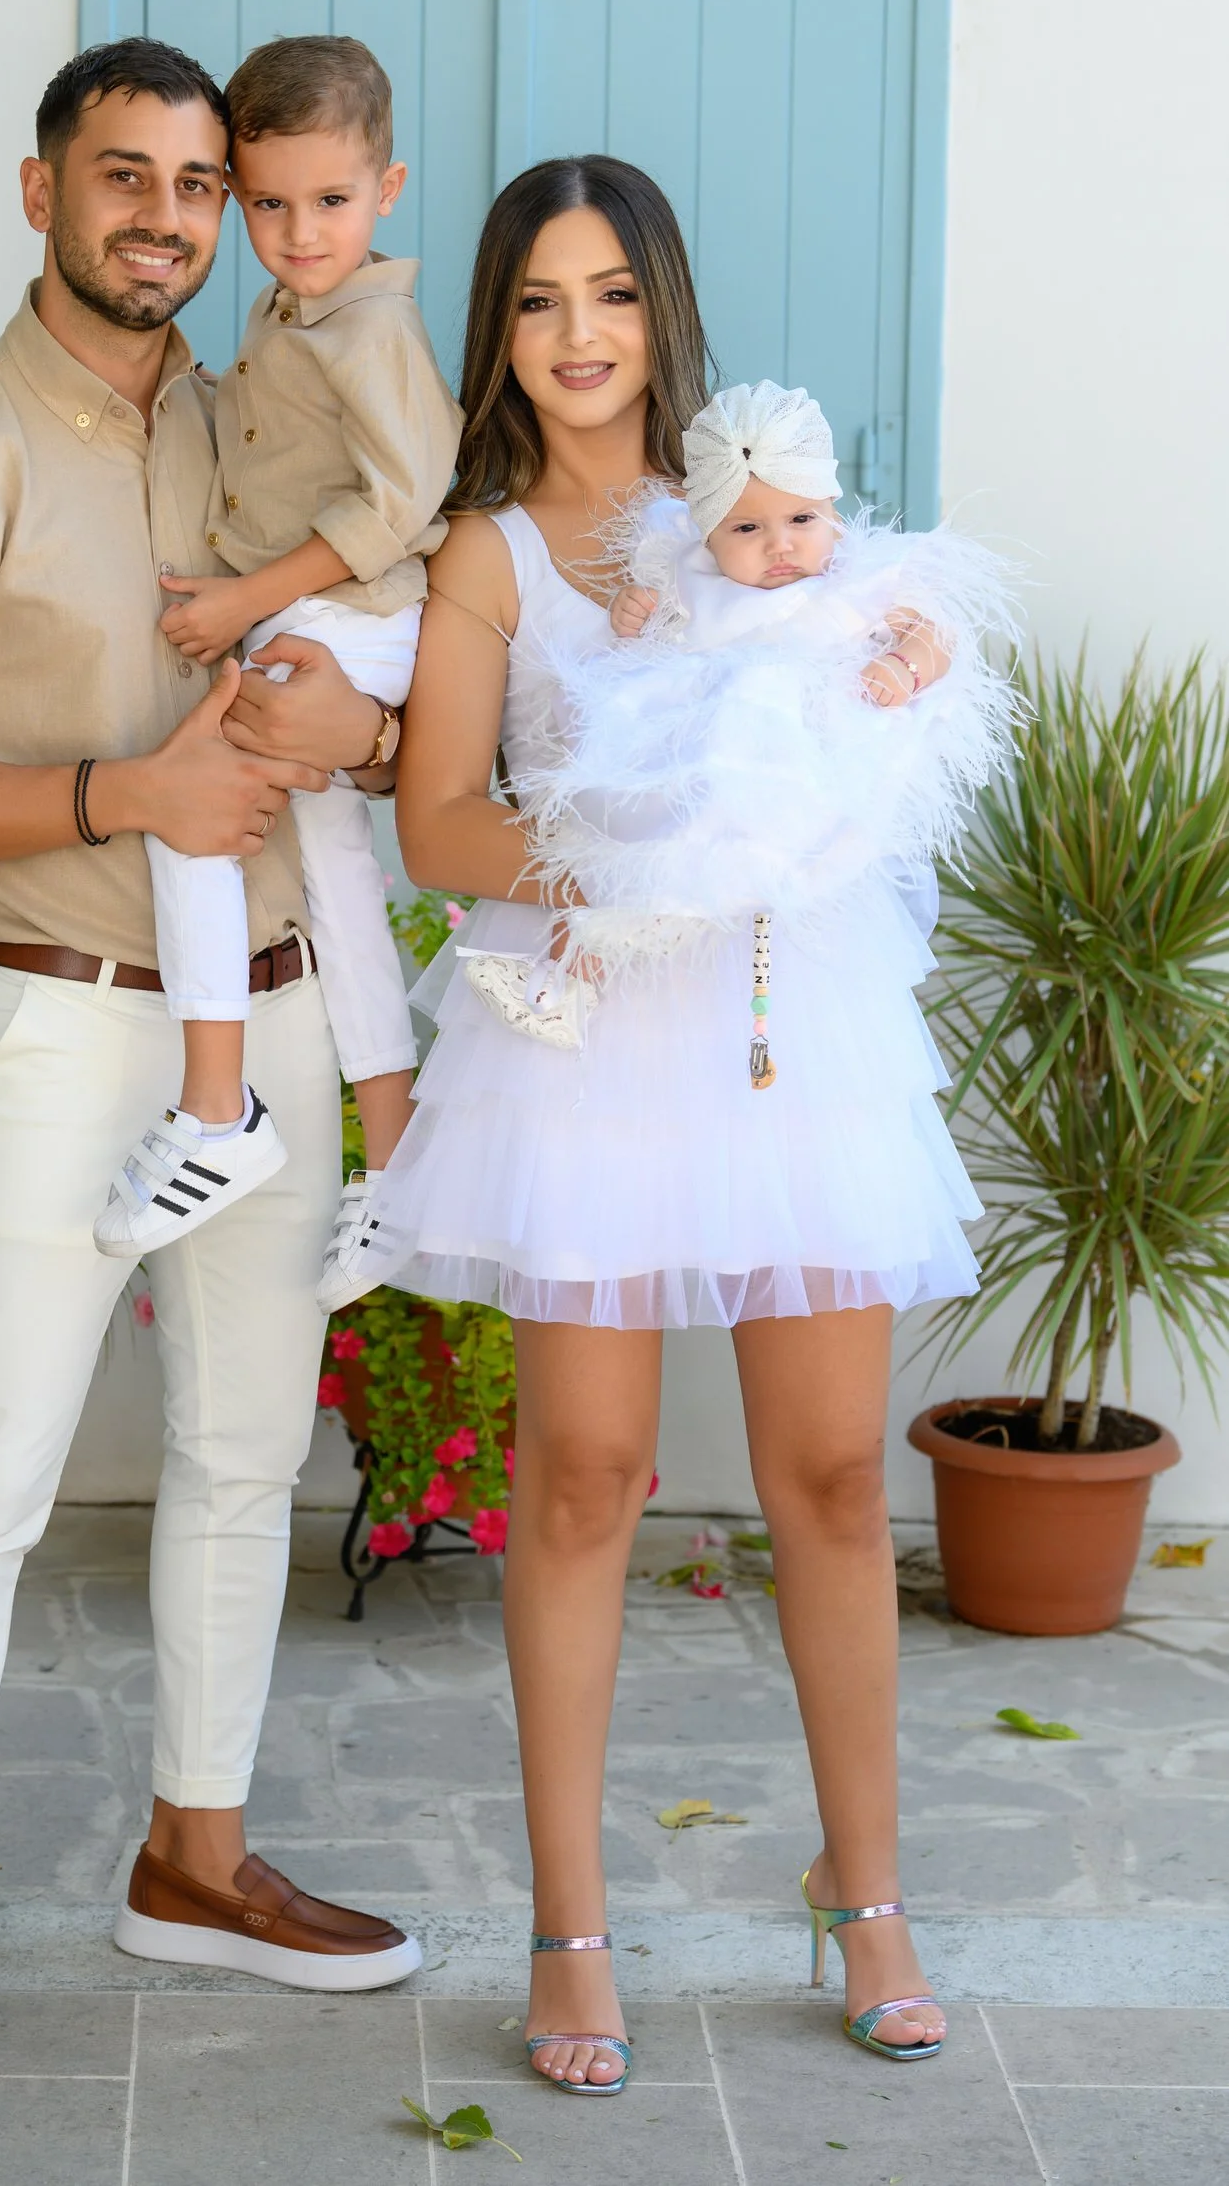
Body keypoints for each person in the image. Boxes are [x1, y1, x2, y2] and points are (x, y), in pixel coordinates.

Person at [0, 38, 421, 2162]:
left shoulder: (267, 405)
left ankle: (196, 1853)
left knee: (243, 1460)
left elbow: (362, 646)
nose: (164, 212)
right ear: (39, 188)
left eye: (196, 180)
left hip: (261, 1017)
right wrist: (111, 790)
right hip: (62, 1026)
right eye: (124, 175)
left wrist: (348, 730)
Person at [379, 156, 963, 2096]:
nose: (574, 337)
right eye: (536, 301)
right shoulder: (485, 548)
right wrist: (628, 852)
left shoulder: (746, 512)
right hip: (588, 1034)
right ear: (498, 328)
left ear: (656, 312)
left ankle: (859, 1884)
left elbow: (870, 679)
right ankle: (566, 1920)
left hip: (785, 1032)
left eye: (607, 295)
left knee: (817, 1469)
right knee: (582, 1474)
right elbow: (434, 820)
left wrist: (895, 675)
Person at [93, 35, 460, 1313]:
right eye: (266, 203)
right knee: (336, 887)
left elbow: (407, 500)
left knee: (187, 809)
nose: (299, 232)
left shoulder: (372, 328)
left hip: (344, 617)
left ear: (388, 188)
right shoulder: (291, 309)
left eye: (331, 202)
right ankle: (400, 1159)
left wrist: (246, 597)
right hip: (317, 609)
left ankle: (214, 1106)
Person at [461, 378, 1018, 1050]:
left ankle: (583, 966)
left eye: (801, 521)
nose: (779, 546)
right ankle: (567, 979)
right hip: (708, 766)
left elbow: (939, 634)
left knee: (696, 849)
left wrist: (901, 667)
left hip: (796, 774)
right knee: (619, 842)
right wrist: (628, 618)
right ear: (707, 533)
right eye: (747, 528)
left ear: (831, 510)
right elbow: (651, 666)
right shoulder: (694, 583)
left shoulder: (858, 582)